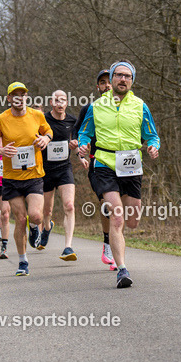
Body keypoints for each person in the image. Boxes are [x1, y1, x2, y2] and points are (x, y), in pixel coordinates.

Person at [77, 61, 159, 288]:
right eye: (119, 75)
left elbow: (152, 135)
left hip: (131, 164)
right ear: (112, 78)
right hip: (105, 163)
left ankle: (117, 234)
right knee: (117, 216)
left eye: (127, 76)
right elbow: (84, 132)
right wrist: (83, 145)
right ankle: (122, 269)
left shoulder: (140, 106)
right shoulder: (96, 106)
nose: (123, 79)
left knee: (132, 222)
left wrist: (153, 146)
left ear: (132, 81)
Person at [0, 82, 52, 276]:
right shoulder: (1, 119)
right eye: (15, 95)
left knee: (36, 215)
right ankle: (23, 261)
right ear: (9, 98)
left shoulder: (37, 115)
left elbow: (49, 131)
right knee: (20, 219)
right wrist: (0, 150)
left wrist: (45, 139)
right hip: (12, 178)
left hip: (34, 175)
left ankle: (35, 227)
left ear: (26, 97)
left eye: (22, 94)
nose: (19, 98)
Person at [72, 70, 116, 270]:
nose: (107, 86)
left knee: (122, 208)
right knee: (107, 204)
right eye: (102, 82)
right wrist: (80, 153)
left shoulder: (128, 108)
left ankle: (114, 243)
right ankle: (108, 245)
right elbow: (77, 133)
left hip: (123, 164)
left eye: (109, 81)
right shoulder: (90, 108)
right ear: (97, 87)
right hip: (97, 163)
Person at [36, 89, 79, 260]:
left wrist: (79, 154)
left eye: (63, 100)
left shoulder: (72, 121)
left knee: (69, 206)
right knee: (47, 210)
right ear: (51, 102)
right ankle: (47, 227)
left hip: (64, 169)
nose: (60, 103)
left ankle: (68, 247)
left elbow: (77, 142)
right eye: (57, 100)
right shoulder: (43, 119)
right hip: (46, 170)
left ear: (67, 103)